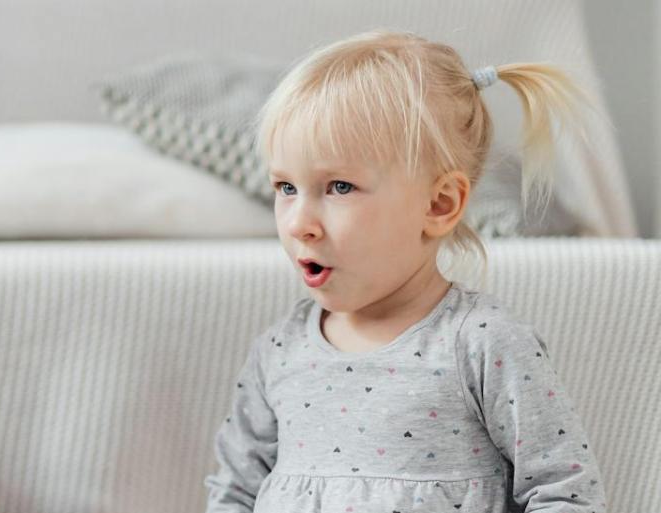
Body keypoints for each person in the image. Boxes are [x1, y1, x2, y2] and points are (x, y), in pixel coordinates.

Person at [205, 30, 607, 512]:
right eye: (286, 187)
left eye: (338, 186)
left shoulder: (480, 342)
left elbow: (565, 491)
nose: (299, 224)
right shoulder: (280, 349)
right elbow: (234, 491)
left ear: (438, 204)